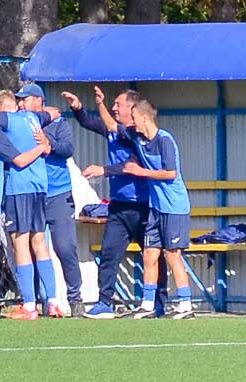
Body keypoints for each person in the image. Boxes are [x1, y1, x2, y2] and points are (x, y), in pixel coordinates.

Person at [62, 87, 168, 319]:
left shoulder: (136, 135)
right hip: (119, 207)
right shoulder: (112, 130)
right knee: (109, 253)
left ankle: (160, 303)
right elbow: (89, 123)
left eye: (118, 104)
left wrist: (104, 170)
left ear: (132, 109)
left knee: (153, 256)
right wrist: (78, 108)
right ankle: (104, 302)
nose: (114, 107)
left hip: (143, 207)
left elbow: (131, 166)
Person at [0, 88, 64, 320]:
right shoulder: (32, 118)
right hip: (39, 186)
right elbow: (54, 112)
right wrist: (45, 144)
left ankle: (28, 306)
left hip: (16, 190)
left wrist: (40, 147)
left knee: (19, 244)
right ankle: (53, 302)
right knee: (40, 243)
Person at [94, 95, 194, 319]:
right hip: (155, 209)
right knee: (149, 254)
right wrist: (100, 104)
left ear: (145, 117)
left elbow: (171, 173)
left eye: (135, 117)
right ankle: (147, 305)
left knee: (172, 255)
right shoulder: (137, 138)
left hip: (174, 208)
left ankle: (185, 305)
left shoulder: (164, 140)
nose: (132, 122)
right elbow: (111, 125)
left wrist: (142, 172)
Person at [17, 84, 84, 317]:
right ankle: (35, 301)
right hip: (32, 194)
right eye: (19, 100)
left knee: (65, 247)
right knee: (31, 248)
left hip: (58, 194)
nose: (21, 104)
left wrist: (49, 145)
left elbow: (67, 149)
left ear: (38, 101)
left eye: (24, 100)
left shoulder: (58, 123)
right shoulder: (21, 123)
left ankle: (76, 299)